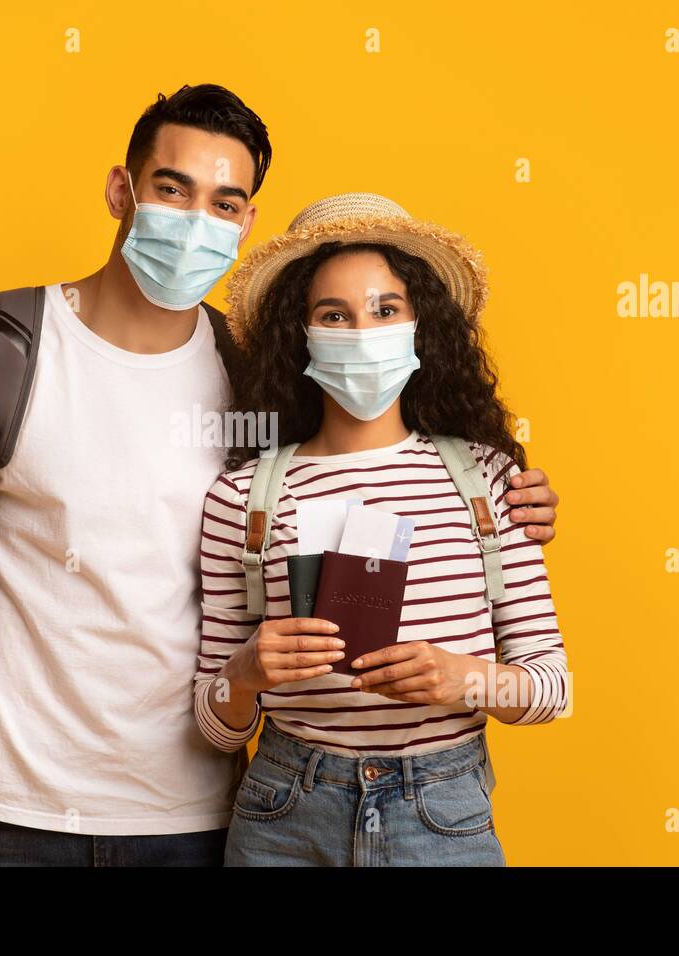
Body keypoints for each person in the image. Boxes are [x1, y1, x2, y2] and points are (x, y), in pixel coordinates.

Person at [0, 85, 562, 867]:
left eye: (225, 202)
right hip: (6, 808)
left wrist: (501, 501)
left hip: (196, 815)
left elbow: (358, 471)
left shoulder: (250, 379)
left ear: (247, 221)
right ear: (122, 190)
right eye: (171, 190)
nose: (196, 222)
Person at [195, 193, 568, 866]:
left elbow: (551, 687)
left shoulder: (486, 482)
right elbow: (215, 723)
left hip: (443, 809)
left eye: (385, 310)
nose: (362, 332)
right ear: (300, 335)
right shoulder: (241, 499)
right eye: (333, 315)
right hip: (284, 811)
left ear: (420, 327)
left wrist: (465, 680)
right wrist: (246, 674)